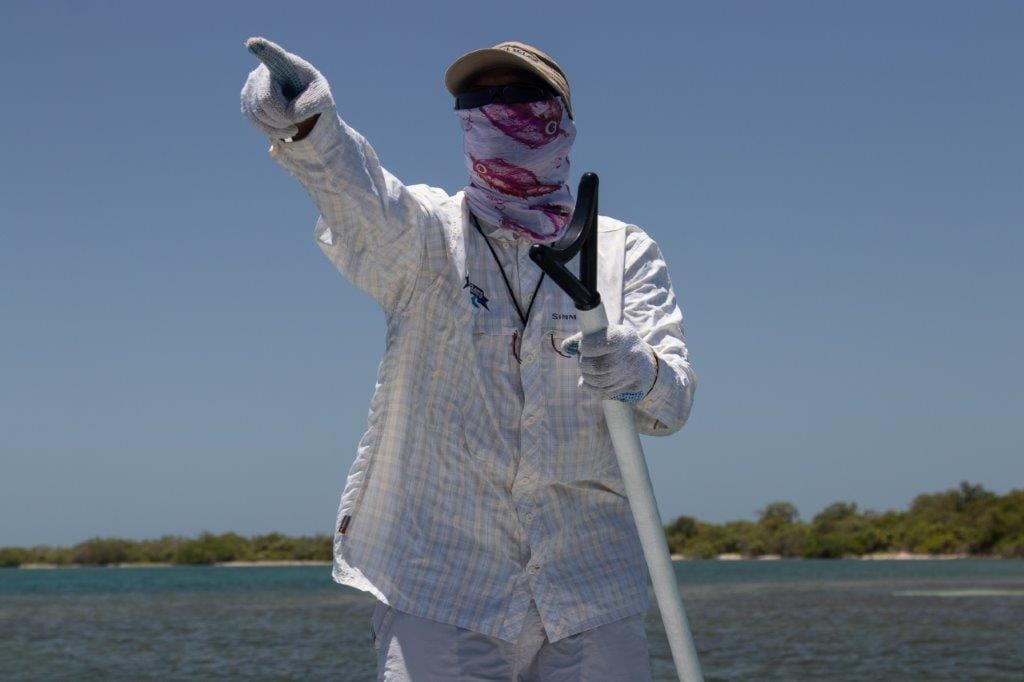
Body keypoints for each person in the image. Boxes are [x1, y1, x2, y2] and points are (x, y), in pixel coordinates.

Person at [241, 37, 697, 681]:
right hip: (443, 586)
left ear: (560, 117)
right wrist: (311, 124)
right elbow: (358, 198)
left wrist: (637, 369)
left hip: (592, 589)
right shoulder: (427, 232)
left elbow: (672, 404)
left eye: (518, 97)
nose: (496, 110)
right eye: (476, 99)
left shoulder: (624, 250)